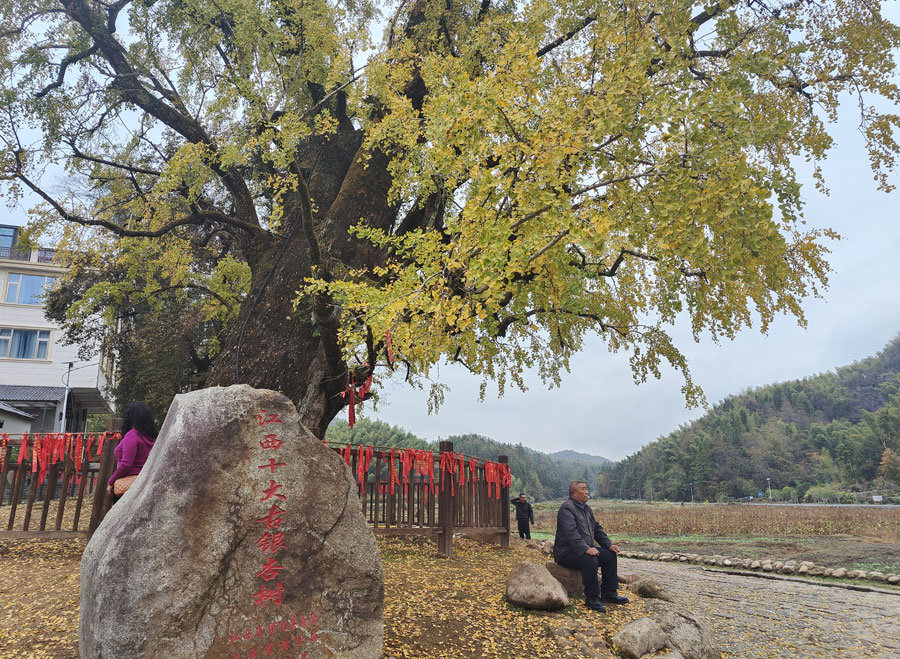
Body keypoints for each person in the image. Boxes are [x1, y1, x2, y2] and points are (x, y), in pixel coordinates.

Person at [553, 480, 629, 612]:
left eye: (587, 488)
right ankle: (591, 598)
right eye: (583, 489)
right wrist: (586, 548)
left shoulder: (586, 508)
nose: (587, 491)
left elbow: (597, 529)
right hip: (566, 553)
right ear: (574, 493)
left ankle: (609, 594)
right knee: (590, 559)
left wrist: (609, 544)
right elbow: (571, 533)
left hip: (582, 550)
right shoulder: (567, 508)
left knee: (610, 555)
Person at [107, 402, 158, 501]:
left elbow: (126, 464)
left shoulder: (132, 436)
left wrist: (111, 481)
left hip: (127, 485)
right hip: (145, 482)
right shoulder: (152, 438)